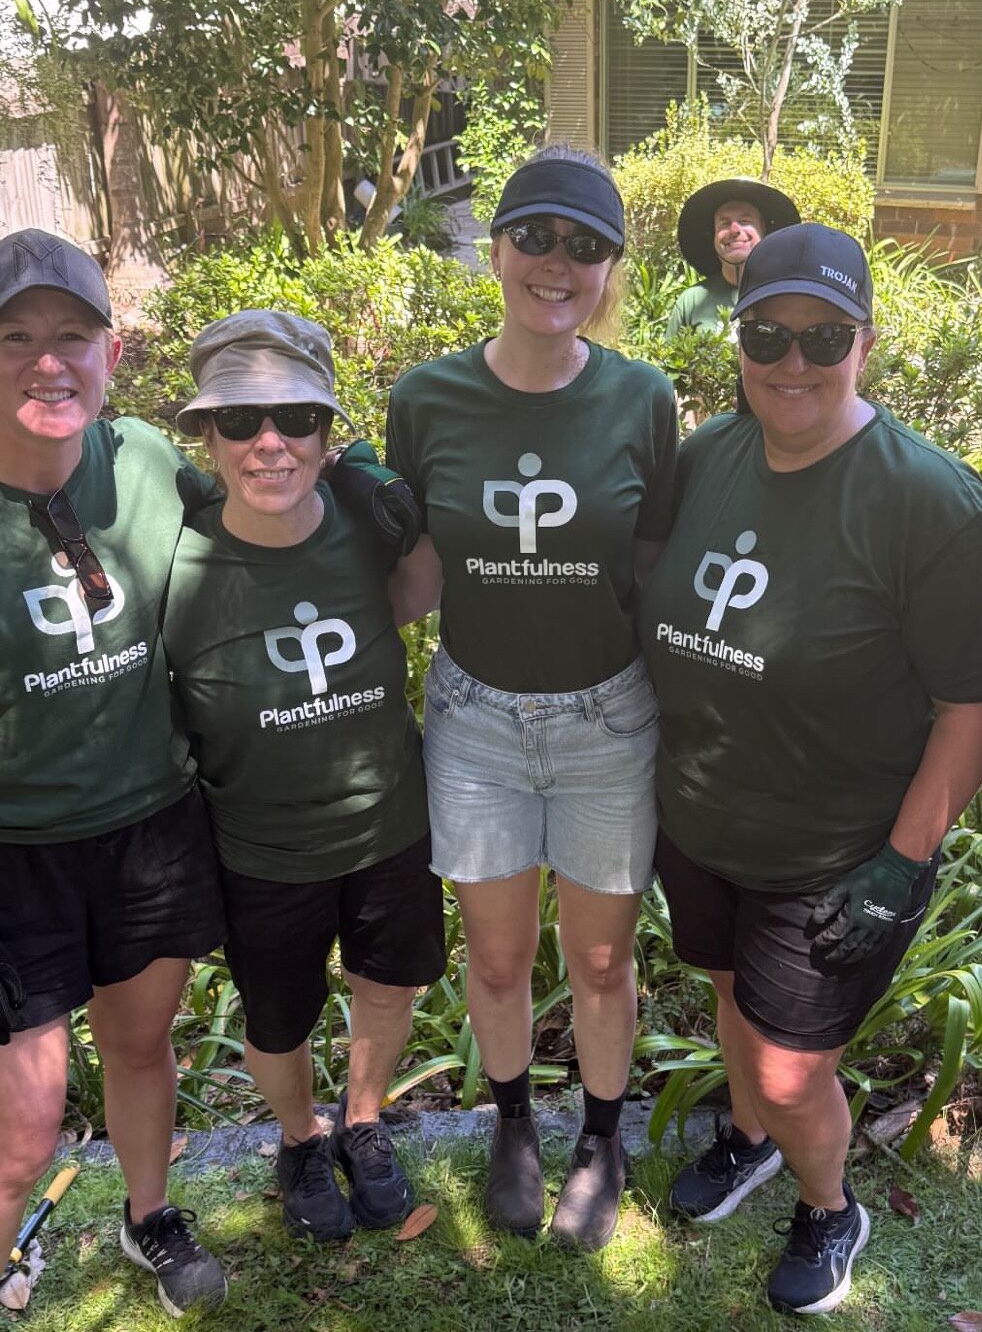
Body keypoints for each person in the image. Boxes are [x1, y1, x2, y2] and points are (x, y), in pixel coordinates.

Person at [639, 222, 982, 1315]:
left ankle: (827, 1202)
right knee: (729, 1000)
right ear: (739, 339)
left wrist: (904, 860)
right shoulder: (708, 456)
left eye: (824, 336)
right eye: (768, 335)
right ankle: (752, 1139)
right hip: (702, 822)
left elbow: (973, 705)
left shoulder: (929, 503)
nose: (792, 361)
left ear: (867, 343)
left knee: (791, 1066)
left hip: (840, 854)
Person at [385, 145, 678, 1250]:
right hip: (477, 721)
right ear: (497, 249)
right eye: (536, 237)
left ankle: (601, 1139)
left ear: (610, 268)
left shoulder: (642, 398)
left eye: (585, 245)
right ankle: (513, 1125)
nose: (558, 262)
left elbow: (650, 568)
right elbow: (419, 571)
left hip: (608, 718)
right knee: (500, 957)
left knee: (602, 962)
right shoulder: (428, 397)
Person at [162, 310, 445, 1245]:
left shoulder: (367, 526)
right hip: (261, 849)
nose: (269, 441)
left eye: (295, 417)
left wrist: (400, 506)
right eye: (238, 421)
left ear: (327, 433)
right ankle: (298, 1137)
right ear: (207, 438)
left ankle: (362, 1119)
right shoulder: (176, 561)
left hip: (387, 825)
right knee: (277, 1019)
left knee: (385, 985)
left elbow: (422, 595)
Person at [0, 229, 228, 1317]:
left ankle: (149, 1217)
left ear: (113, 352)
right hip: (17, 851)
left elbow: (262, 511)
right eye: (15, 338)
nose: (48, 362)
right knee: (26, 1116)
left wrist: (354, 477)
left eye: (72, 336)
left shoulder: (140, 459)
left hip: (149, 823)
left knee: (141, 1045)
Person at [665, 178, 800, 339]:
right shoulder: (692, 301)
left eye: (745, 221)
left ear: (763, 229)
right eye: (724, 223)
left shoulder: (788, 296)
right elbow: (669, 355)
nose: (734, 230)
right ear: (713, 235)